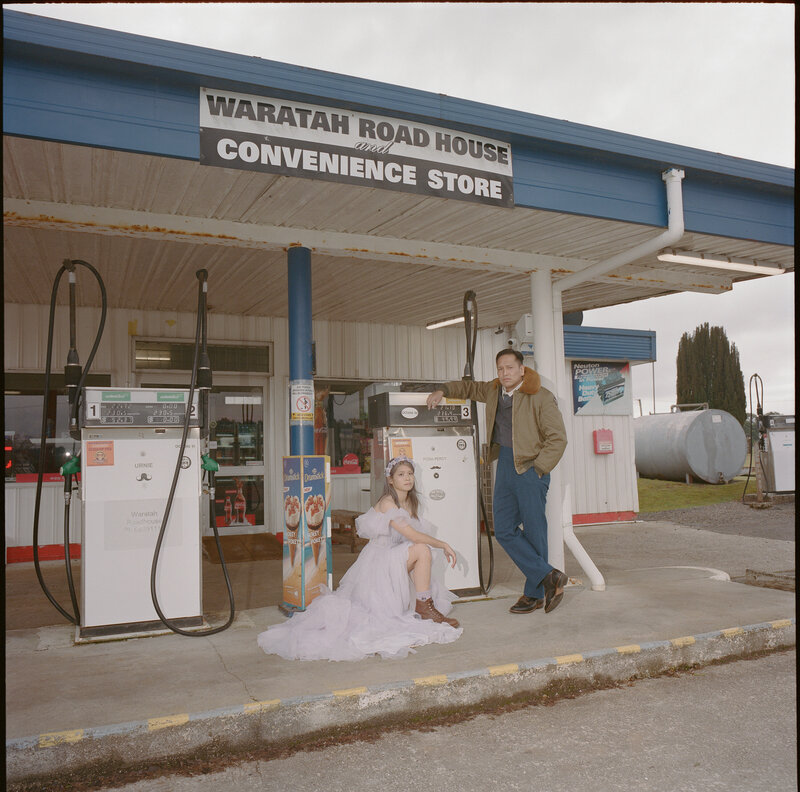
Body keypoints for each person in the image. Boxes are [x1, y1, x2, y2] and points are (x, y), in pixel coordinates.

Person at [257, 457, 461, 661]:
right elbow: (414, 537)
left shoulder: (411, 501)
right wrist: (442, 544)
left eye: (409, 473)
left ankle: (424, 605)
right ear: (390, 480)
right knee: (422, 549)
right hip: (381, 560)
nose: (407, 478)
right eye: (401, 474)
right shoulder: (388, 502)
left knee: (421, 550)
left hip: (395, 555)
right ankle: (424, 607)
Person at [427, 348, 568, 615]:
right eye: (500, 369)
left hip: (529, 466)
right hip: (504, 463)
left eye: (510, 368)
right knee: (503, 529)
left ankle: (534, 593)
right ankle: (549, 577)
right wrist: (443, 390)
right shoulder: (493, 390)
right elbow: (468, 388)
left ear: (521, 370)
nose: (504, 373)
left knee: (535, 530)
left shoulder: (540, 396)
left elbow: (558, 438)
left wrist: (538, 468)